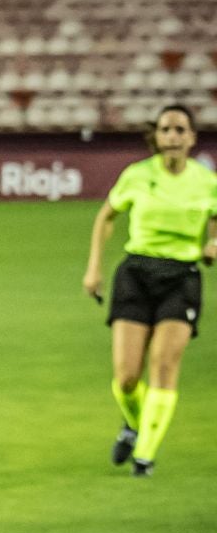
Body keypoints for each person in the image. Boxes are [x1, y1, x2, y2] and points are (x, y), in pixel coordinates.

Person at [82, 103, 217, 476]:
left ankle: (145, 456)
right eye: (165, 130)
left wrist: (213, 245)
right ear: (156, 137)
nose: (172, 136)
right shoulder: (137, 176)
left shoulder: (207, 182)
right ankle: (134, 424)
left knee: (163, 365)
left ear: (191, 138)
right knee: (126, 377)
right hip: (137, 273)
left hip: (181, 276)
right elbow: (107, 216)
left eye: (179, 130)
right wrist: (94, 267)